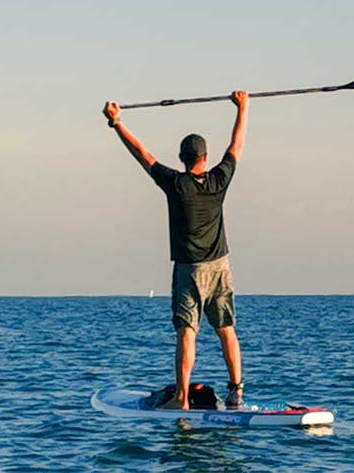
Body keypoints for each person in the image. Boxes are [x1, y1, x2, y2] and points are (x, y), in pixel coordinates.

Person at [101, 90, 249, 410]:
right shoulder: (219, 180)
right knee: (227, 330)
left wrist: (117, 123)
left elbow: (141, 154)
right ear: (205, 157)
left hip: (189, 270)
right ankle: (236, 393)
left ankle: (182, 399)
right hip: (221, 267)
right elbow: (236, 145)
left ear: (182, 159)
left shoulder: (175, 184)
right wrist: (243, 107)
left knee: (187, 333)